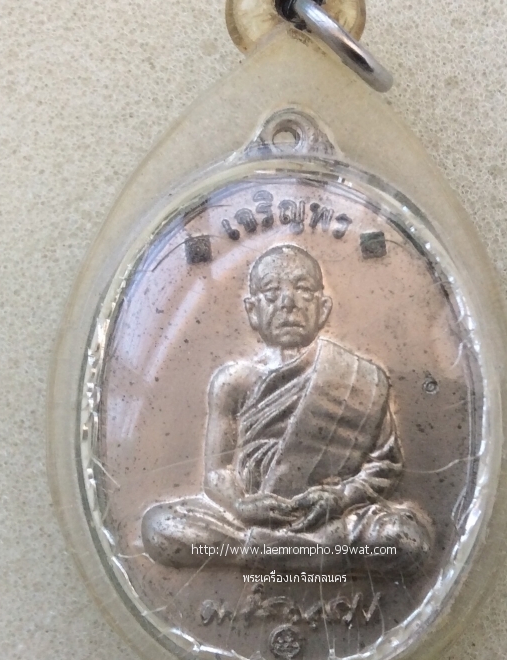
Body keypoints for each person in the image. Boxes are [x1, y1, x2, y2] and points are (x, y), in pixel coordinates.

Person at [142, 244, 433, 572]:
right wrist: (241, 505)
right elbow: (217, 472)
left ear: (323, 308)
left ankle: (263, 553)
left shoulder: (361, 379)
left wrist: (340, 498)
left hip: (328, 517)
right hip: (250, 519)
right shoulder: (233, 381)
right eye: (271, 292)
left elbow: (385, 465)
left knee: (405, 537)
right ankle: (315, 556)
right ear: (252, 311)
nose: (288, 302)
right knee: (160, 526)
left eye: (303, 290)